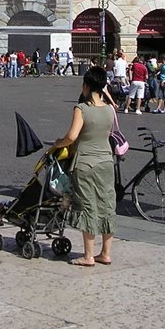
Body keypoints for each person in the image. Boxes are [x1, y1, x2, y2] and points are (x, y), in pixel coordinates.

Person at [52, 67, 116, 267]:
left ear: (86, 86)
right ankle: (105, 253)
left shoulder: (81, 109)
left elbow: (72, 136)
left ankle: (88, 256)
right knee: (107, 205)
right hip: (106, 162)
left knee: (87, 206)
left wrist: (57, 143)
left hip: (86, 163)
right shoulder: (109, 109)